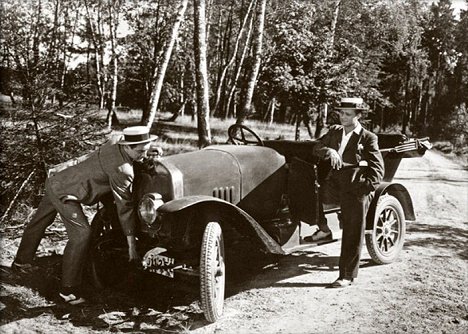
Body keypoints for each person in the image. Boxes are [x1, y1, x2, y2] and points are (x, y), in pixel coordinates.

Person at [12, 126, 160, 304]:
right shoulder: (123, 170)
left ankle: (21, 262)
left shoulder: (115, 141)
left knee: (41, 220)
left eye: (146, 150)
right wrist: (131, 245)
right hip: (64, 191)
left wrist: (147, 155)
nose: (143, 155)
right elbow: (124, 207)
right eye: (140, 151)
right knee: (82, 234)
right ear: (127, 146)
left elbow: (131, 154)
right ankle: (68, 291)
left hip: (57, 176)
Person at [305, 97, 384, 288]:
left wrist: (363, 190)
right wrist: (329, 151)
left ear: (358, 116)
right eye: (340, 113)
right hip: (334, 184)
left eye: (348, 114)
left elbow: (378, 170)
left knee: (352, 230)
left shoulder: (368, 138)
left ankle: (347, 276)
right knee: (308, 192)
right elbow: (316, 147)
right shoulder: (334, 131)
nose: (342, 117)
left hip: (355, 189)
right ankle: (324, 230)